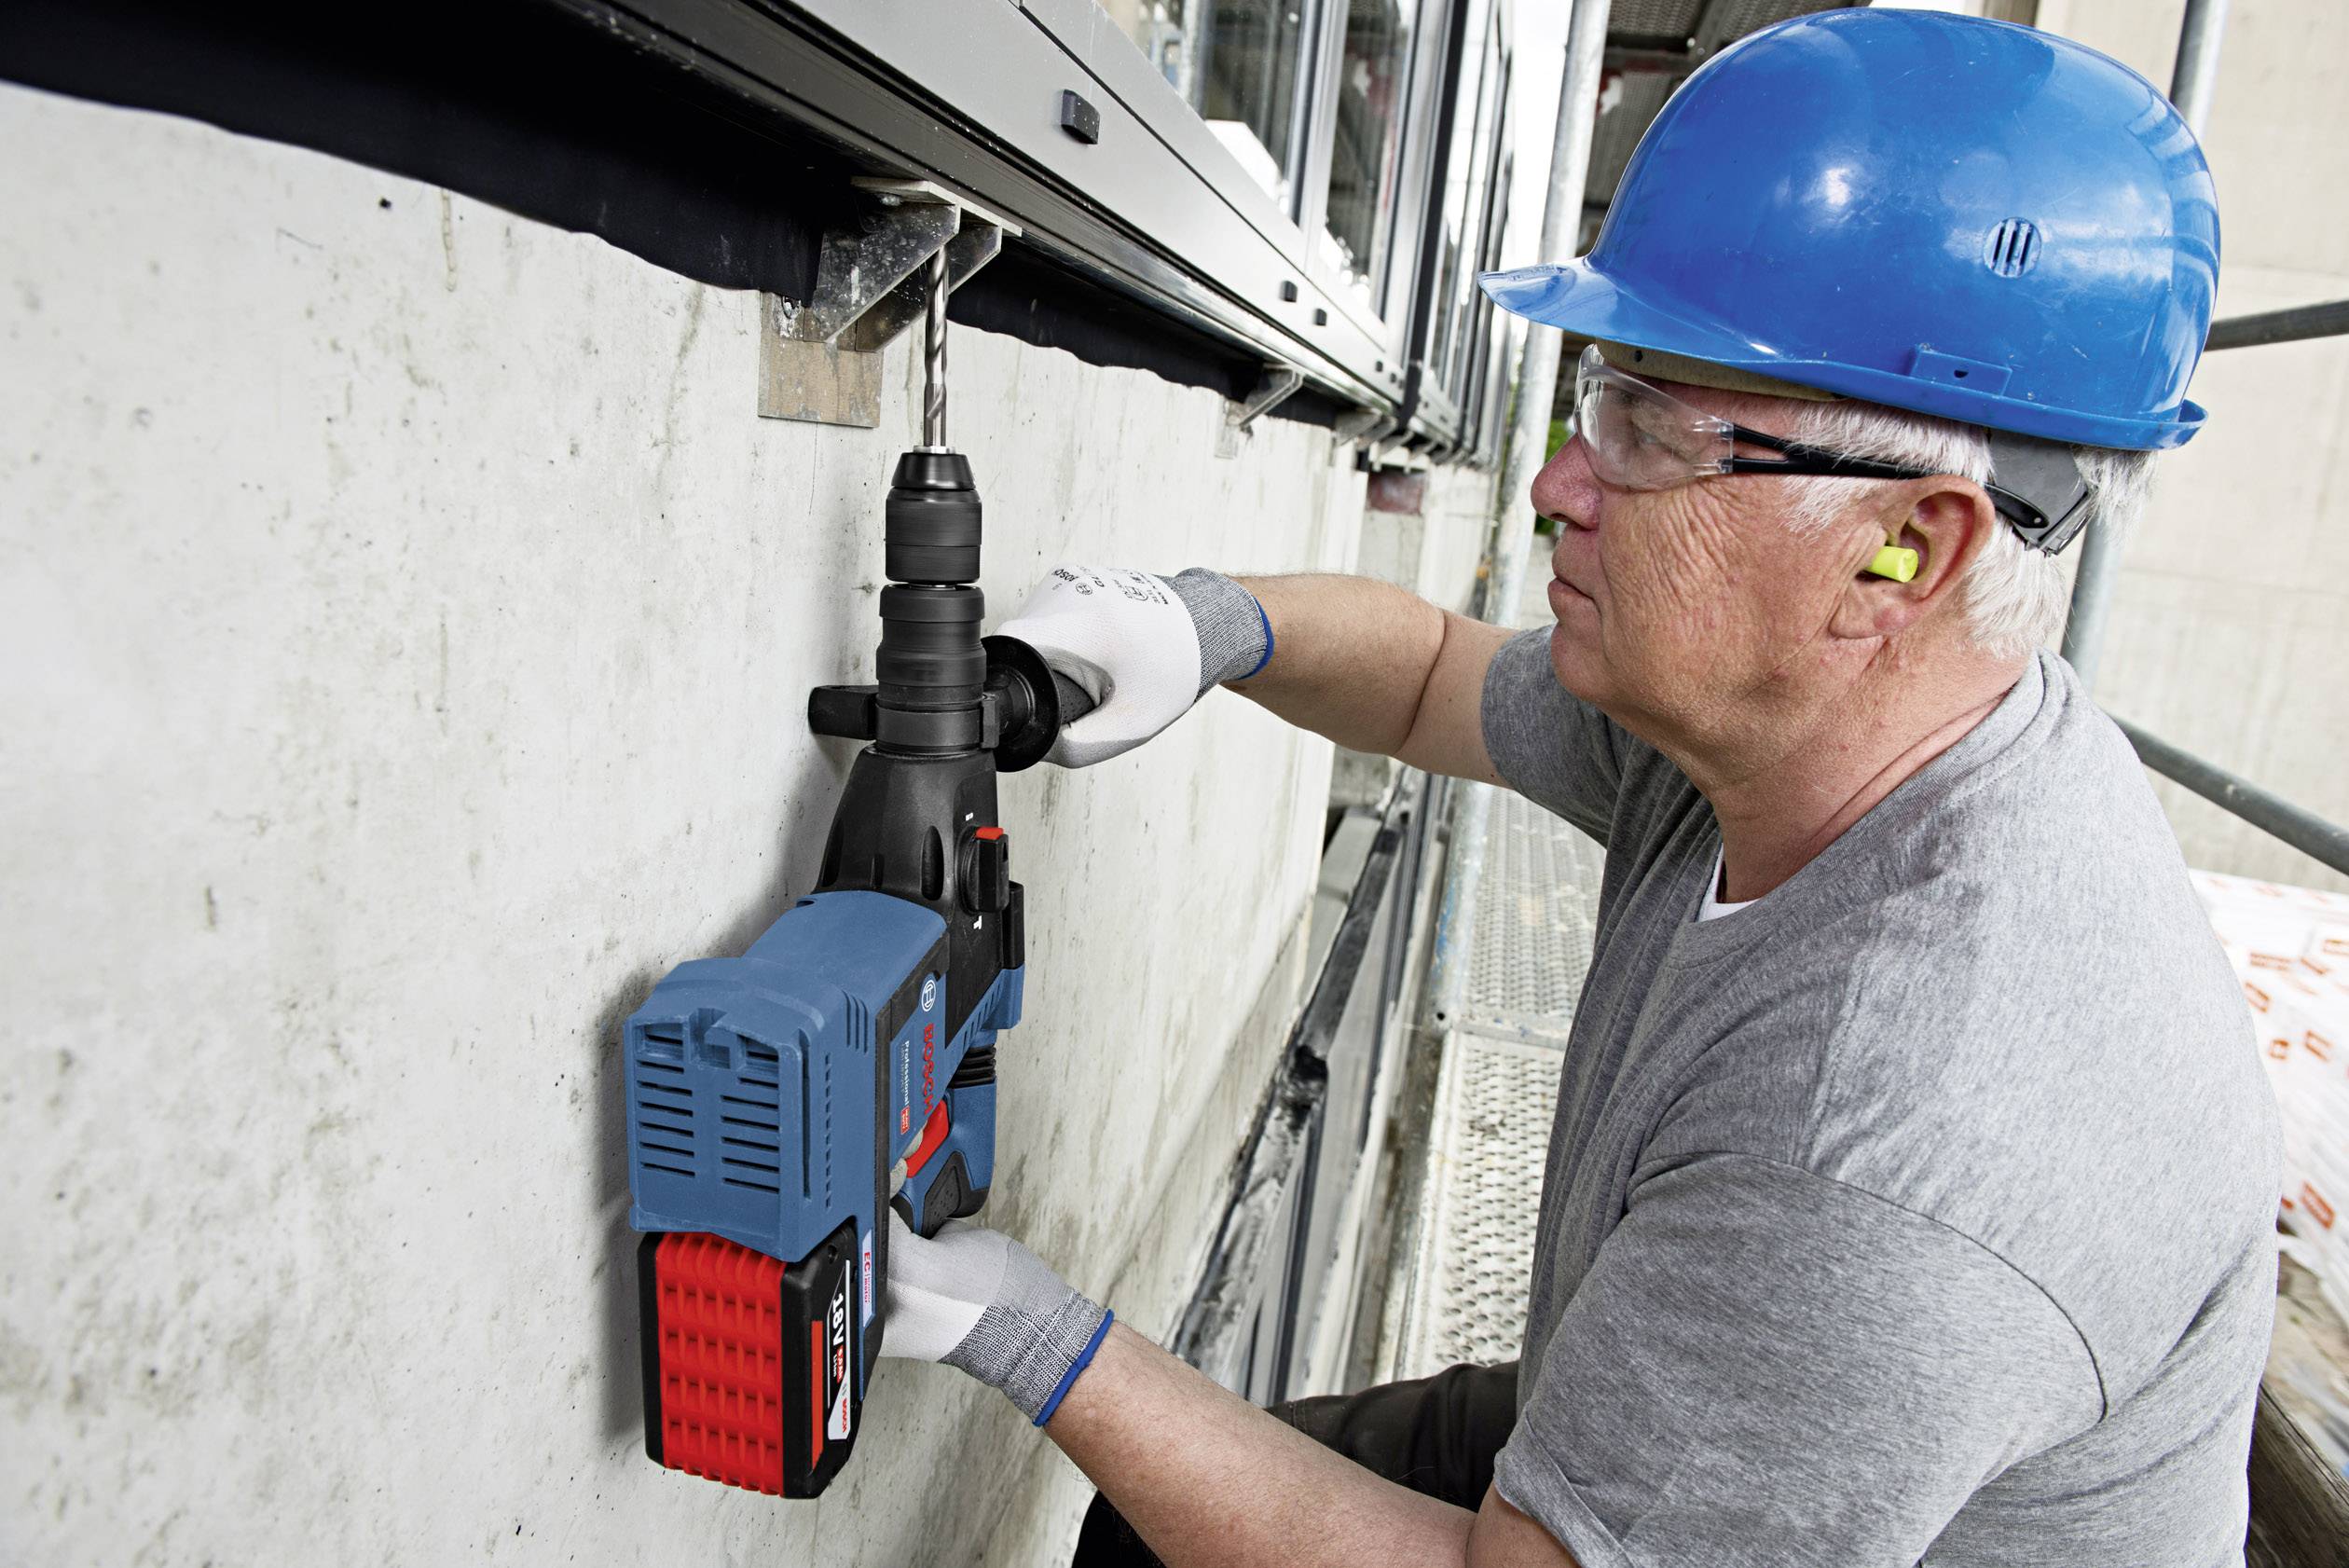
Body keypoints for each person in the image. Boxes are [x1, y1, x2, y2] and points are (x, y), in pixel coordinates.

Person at [882, 11, 2280, 1566]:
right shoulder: (1822, 719)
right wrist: (1208, 625)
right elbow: (1434, 676)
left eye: (1647, 428)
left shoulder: (1892, 1142)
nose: (1558, 480)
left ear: (1905, 550)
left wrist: (1026, 1330)